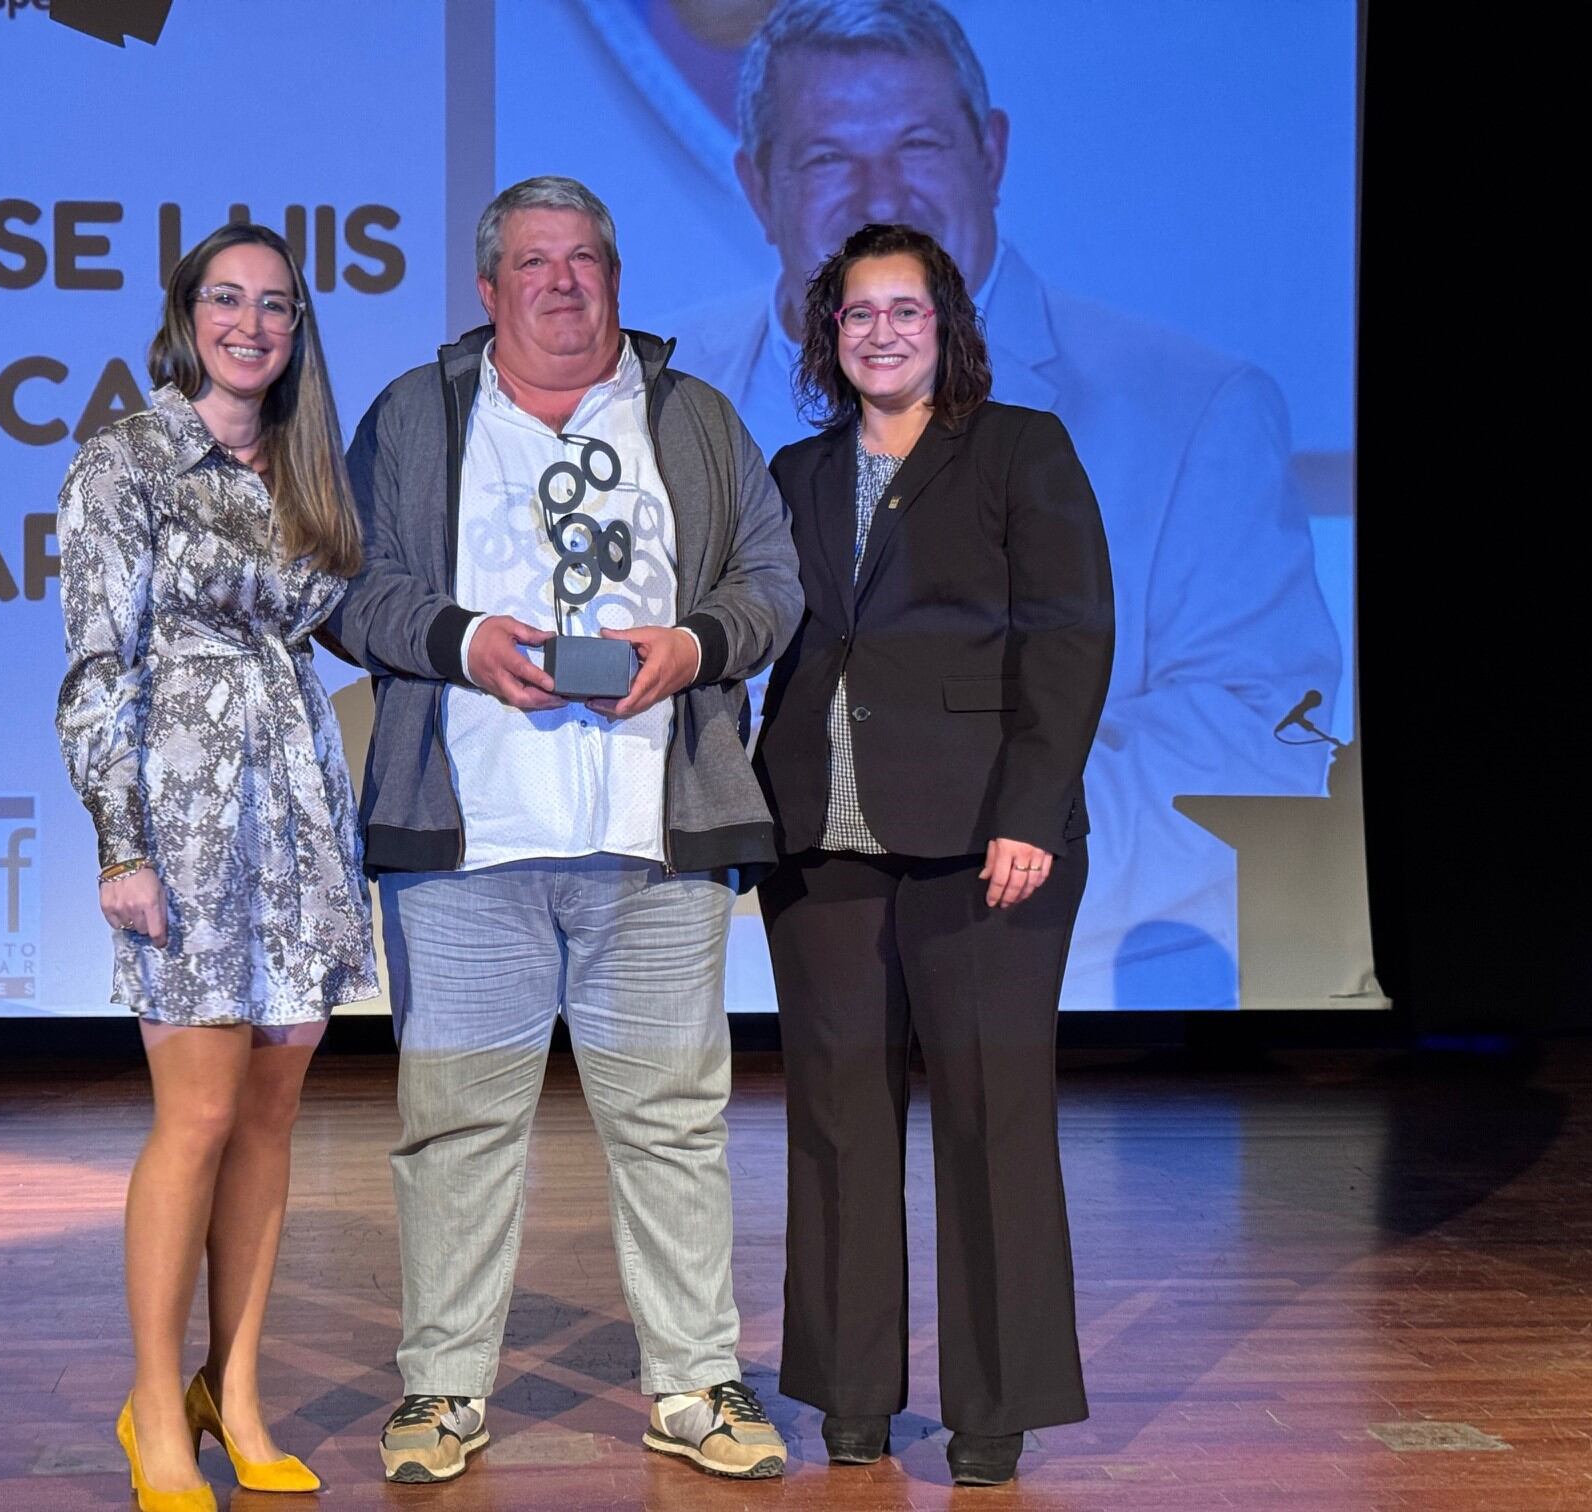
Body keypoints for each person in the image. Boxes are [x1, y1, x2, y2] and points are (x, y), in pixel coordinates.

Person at [673, 0, 1341, 1005]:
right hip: (718, 972)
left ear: (991, 153)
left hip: (1040, 952)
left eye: (919, 145)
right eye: (824, 159)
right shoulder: (659, 397)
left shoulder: (1192, 406)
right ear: (756, 186)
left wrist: (963, 846)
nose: (877, 193)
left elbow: (1259, 732)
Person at [325, 175, 803, 1485]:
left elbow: (772, 586)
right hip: (467, 846)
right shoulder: (417, 419)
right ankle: (442, 1391)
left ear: (616, 278)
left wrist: (691, 645)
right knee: (458, 1126)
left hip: (658, 845)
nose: (562, 282)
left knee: (671, 1124)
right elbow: (344, 590)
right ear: (488, 289)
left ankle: (696, 1385)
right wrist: (460, 642)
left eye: (585, 258)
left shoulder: (694, 419)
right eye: (534, 261)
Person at [754, 222, 1114, 1484]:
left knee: (989, 1124)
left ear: (948, 323)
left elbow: (1068, 638)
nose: (883, 333)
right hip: (822, 841)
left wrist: (1029, 809)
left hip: (983, 842)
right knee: (839, 1126)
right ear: (829, 334)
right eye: (859, 314)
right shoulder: (795, 470)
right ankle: (849, 1399)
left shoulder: (1020, 448)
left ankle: (993, 1411)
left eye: (906, 310)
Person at [54, 222, 377, 1509]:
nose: (252, 325)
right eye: (227, 300)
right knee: (193, 1118)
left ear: (299, 331)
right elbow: (95, 670)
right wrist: (120, 844)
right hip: (182, 825)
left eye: (277, 307)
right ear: (186, 315)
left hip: (295, 810)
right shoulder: (122, 459)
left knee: (271, 1118)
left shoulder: (311, 471)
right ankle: (152, 1410)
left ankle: (234, 1392)